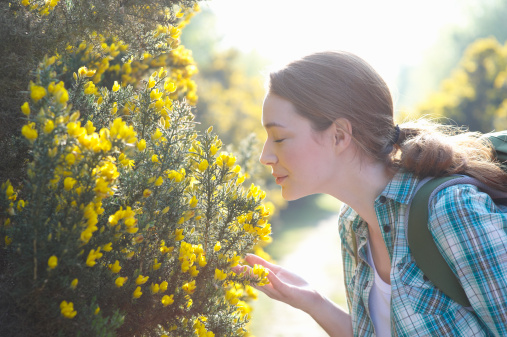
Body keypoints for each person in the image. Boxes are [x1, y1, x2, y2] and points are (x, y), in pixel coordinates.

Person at [235, 51, 507, 336]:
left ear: (339, 135)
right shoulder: (352, 222)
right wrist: (311, 301)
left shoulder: (449, 210)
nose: (265, 156)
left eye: (279, 138)